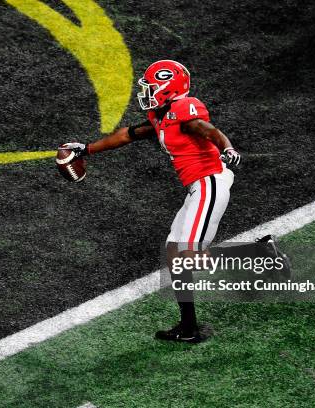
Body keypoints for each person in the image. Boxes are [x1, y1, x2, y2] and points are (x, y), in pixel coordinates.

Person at [60, 60, 287, 343]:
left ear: (170, 88)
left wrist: (227, 147)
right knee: (172, 253)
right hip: (197, 187)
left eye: (153, 87)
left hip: (209, 183)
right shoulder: (160, 114)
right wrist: (87, 149)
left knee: (186, 258)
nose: (147, 92)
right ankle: (189, 327)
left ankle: (261, 254)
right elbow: (128, 135)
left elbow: (207, 130)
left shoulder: (183, 108)